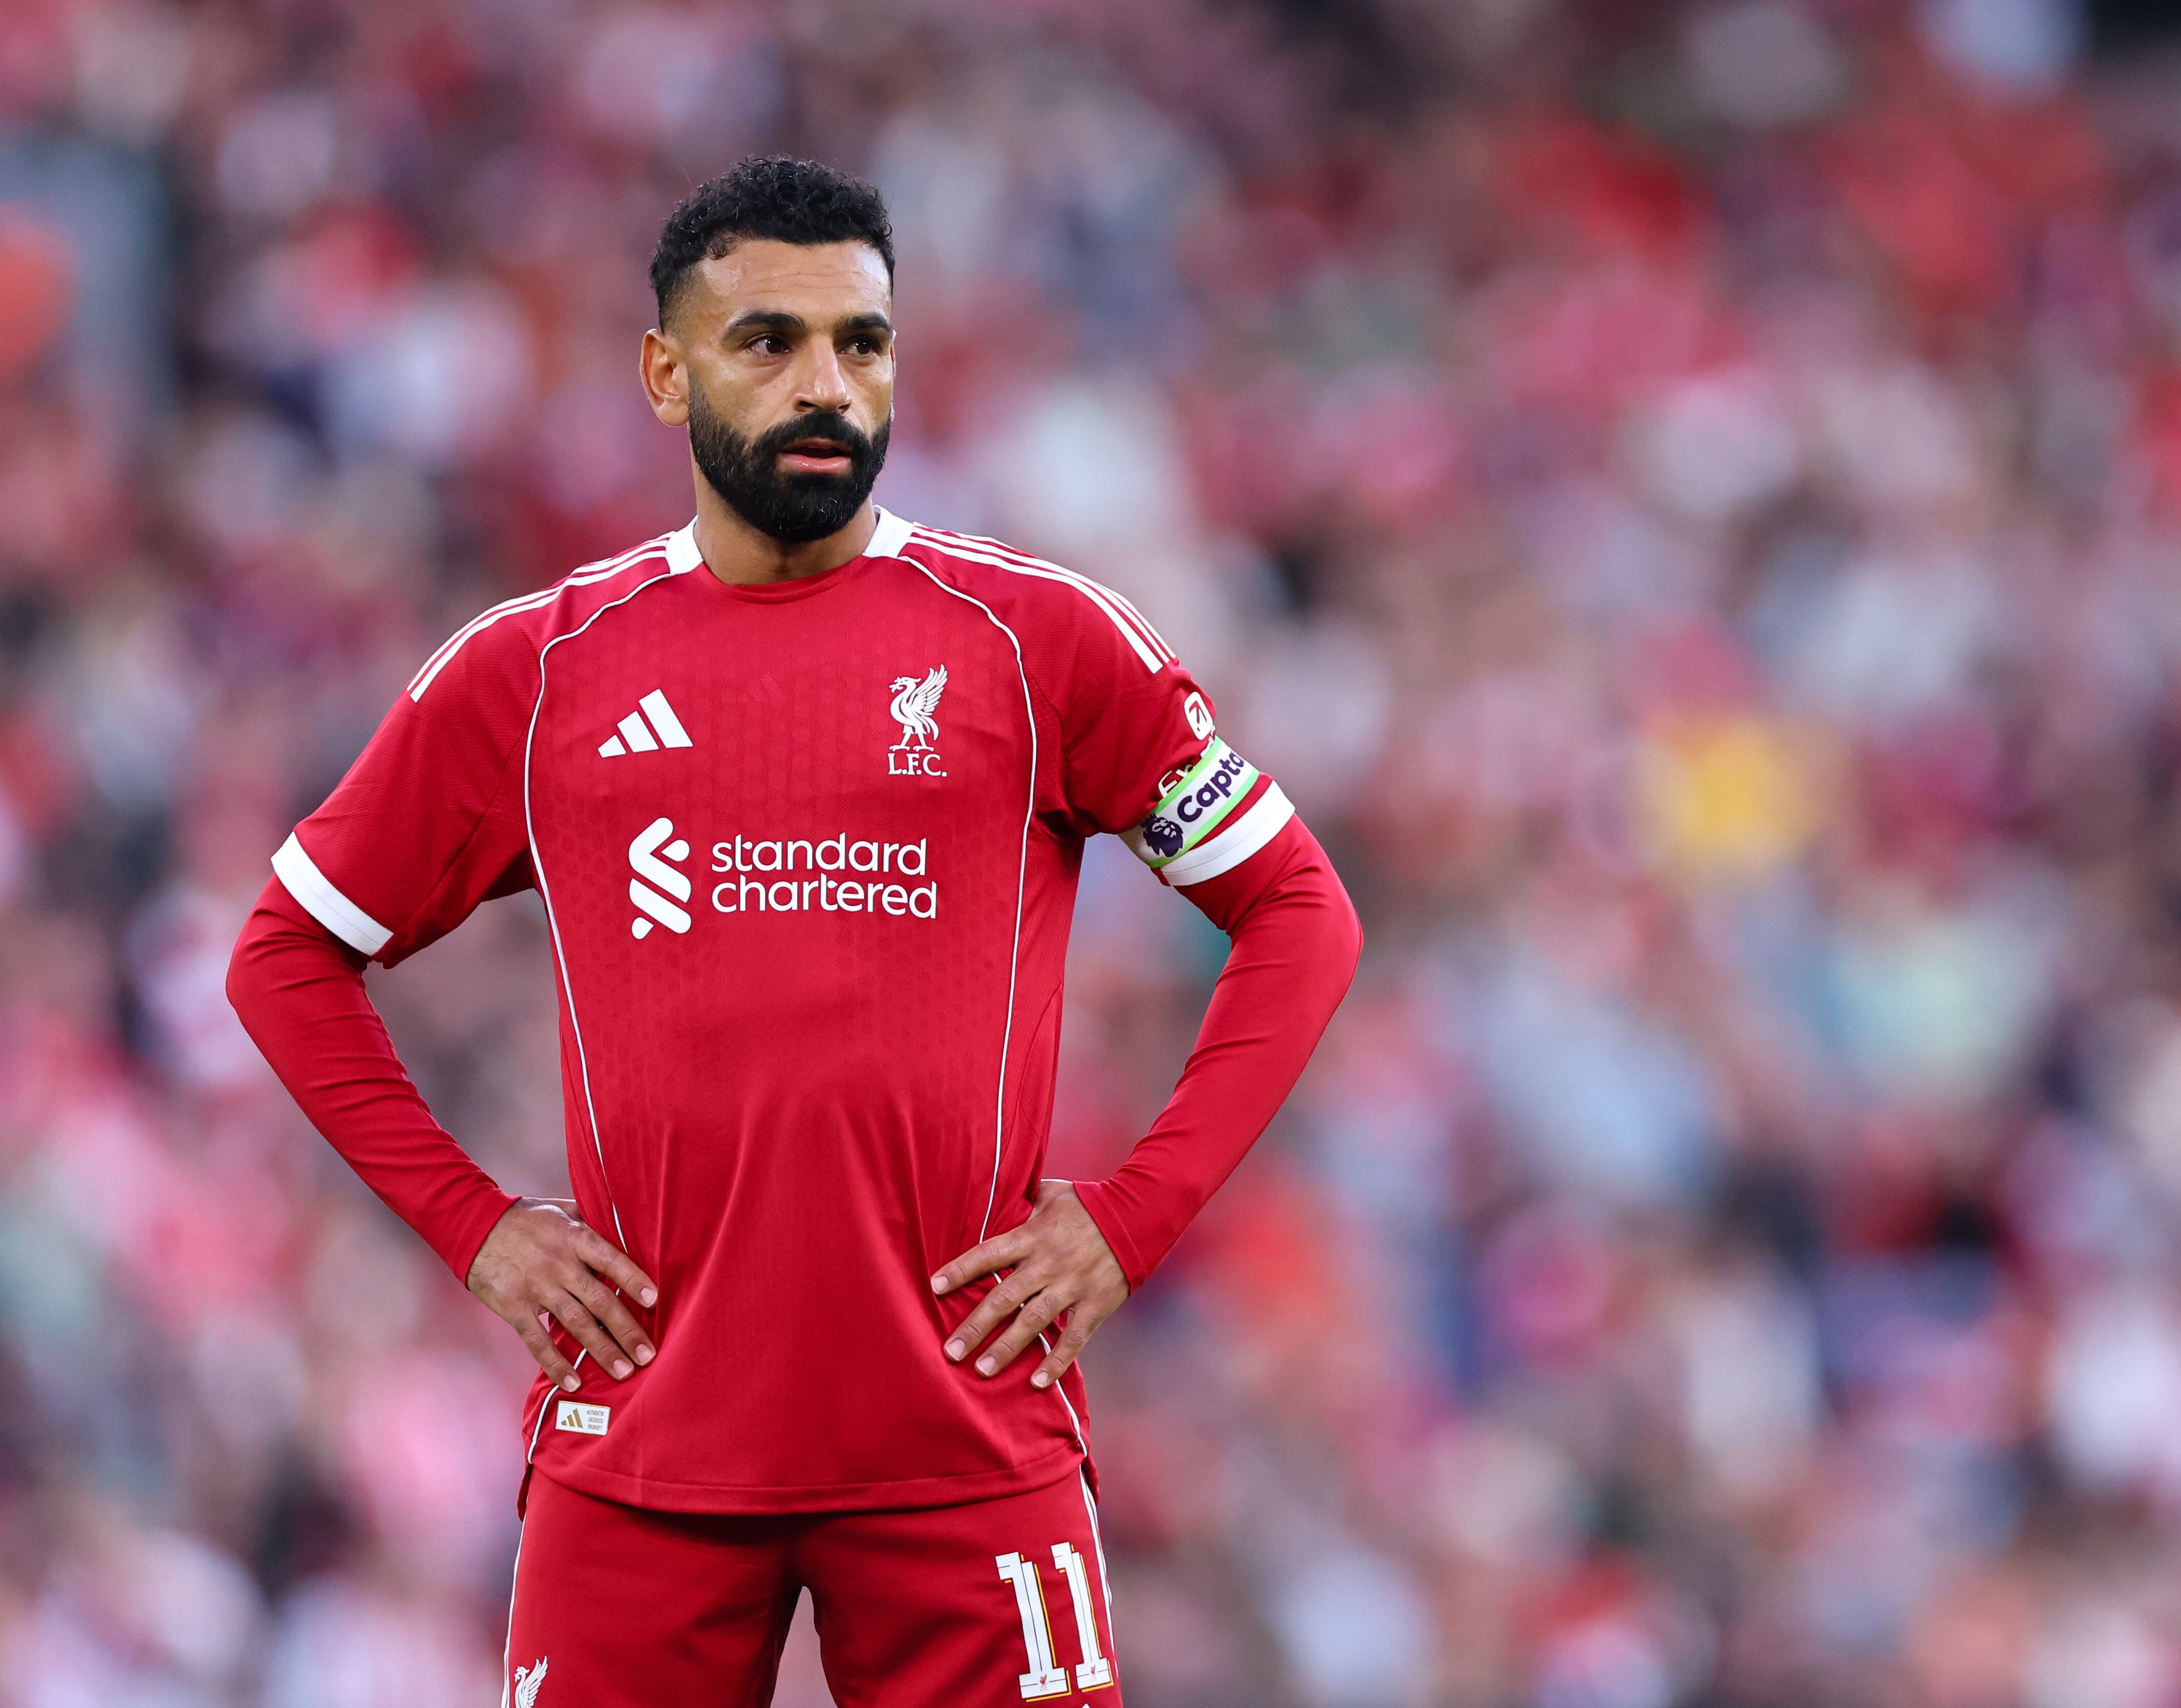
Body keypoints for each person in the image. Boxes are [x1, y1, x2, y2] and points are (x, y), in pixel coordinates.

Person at [225, 155, 1362, 1704]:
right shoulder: (539, 670)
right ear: (664, 370)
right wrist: (472, 1228)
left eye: (862, 343)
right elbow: (285, 954)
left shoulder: (1042, 644)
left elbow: (1300, 909)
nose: (827, 385)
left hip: (968, 1448)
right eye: (769, 342)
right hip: (643, 1455)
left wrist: (1134, 1215)